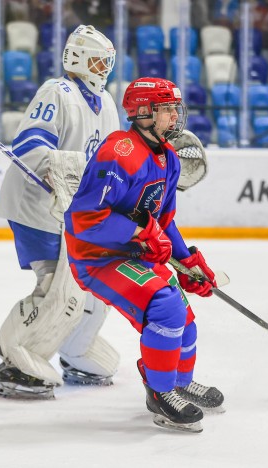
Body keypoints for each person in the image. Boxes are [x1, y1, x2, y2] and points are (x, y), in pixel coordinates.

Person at [63, 77, 224, 433]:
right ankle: (160, 392)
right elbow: (82, 220)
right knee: (165, 308)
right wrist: (139, 232)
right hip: (98, 258)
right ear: (142, 112)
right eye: (166, 108)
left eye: (174, 109)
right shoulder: (119, 151)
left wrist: (189, 262)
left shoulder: (169, 159)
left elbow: (164, 221)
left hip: (134, 254)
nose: (173, 116)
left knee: (184, 315)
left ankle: (178, 382)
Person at [0, 25, 121, 399]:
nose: (104, 68)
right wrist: (63, 171)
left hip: (75, 213)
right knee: (56, 288)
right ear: (77, 58)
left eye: (108, 62)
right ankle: (17, 356)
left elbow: (111, 160)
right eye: (98, 60)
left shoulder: (108, 103)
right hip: (37, 206)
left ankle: (76, 349)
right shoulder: (57, 92)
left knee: (97, 284)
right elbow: (30, 146)